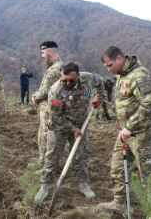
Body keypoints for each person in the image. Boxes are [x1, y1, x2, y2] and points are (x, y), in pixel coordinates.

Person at [97, 46, 151, 215]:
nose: (109, 70)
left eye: (110, 65)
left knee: (148, 174)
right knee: (117, 168)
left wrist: (129, 126)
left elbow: (148, 104)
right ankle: (120, 203)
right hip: (125, 134)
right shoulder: (121, 75)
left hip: (142, 134)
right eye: (106, 68)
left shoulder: (139, 74)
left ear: (120, 59)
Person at [34, 62, 105, 203]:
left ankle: (83, 184)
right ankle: (45, 186)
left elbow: (100, 82)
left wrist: (100, 98)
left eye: (71, 80)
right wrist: (73, 129)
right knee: (52, 157)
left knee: (81, 156)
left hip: (80, 124)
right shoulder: (56, 91)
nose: (67, 82)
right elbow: (55, 118)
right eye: (64, 79)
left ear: (78, 76)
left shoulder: (88, 78)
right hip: (59, 127)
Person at [32, 41, 63, 166]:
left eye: (43, 53)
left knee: (46, 135)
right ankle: (42, 159)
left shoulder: (55, 69)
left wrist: (35, 96)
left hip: (49, 107)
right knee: (43, 133)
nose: (42, 55)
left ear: (50, 51)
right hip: (48, 106)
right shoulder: (55, 66)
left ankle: (46, 163)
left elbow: (45, 90)